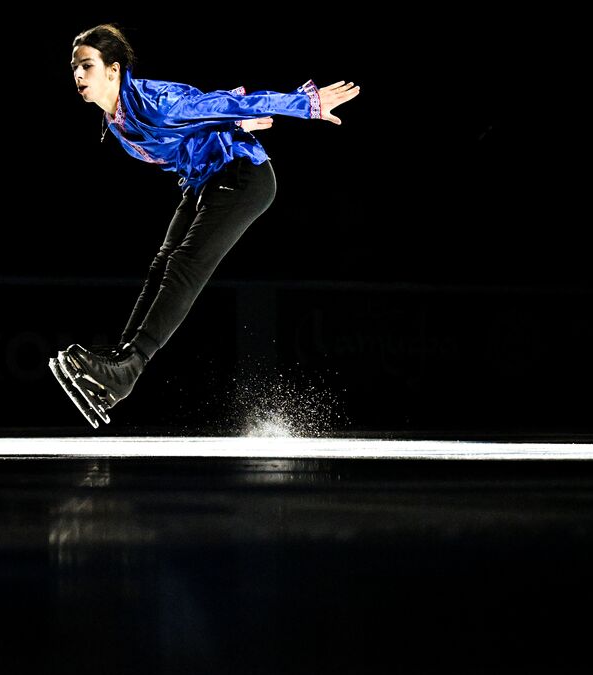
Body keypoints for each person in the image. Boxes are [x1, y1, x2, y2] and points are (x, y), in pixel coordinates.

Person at [50, 23, 360, 428]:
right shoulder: (117, 123)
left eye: (86, 66)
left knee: (184, 264)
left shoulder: (156, 102)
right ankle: (120, 362)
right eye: (74, 67)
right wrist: (225, 126)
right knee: (162, 264)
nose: (77, 75)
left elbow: (213, 104)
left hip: (244, 176)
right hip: (206, 178)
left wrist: (305, 104)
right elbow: (197, 132)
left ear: (113, 69)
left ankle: (129, 367)